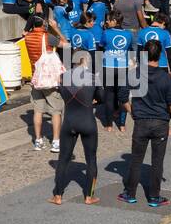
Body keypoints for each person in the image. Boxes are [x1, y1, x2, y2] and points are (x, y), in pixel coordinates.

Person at [120, 40, 171, 207]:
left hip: (141, 122)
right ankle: (154, 197)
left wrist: (133, 112)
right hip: (161, 122)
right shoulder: (166, 78)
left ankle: (130, 193)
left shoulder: (135, 74)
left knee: (136, 158)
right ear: (160, 55)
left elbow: (123, 97)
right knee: (157, 161)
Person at [49, 51, 102, 206]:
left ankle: (57, 195)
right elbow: (103, 98)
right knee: (91, 160)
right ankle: (89, 196)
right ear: (86, 62)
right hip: (87, 121)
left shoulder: (64, 77)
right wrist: (93, 100)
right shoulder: (93, 78)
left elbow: (62, 94)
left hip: (69, 121)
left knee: (63, 159)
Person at [27, 16, 63, 152]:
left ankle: (38, 140)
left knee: (38, 111)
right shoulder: (47, 37)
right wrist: (56, 29)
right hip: (49, 81)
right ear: (43, 25)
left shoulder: (28, 37)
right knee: (55, 111)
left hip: (35, 78)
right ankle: (55, 142)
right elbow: (66, 44)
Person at [99, 13, 133, 132]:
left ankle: (109, 125)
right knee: (123, 97)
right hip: (123, 67)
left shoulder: (106, 33)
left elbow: (101, 46)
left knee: (109, 95)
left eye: (108, 20)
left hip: (108, 66)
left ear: (114, 20)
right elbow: (130, 50)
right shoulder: (128, 34)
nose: (107, 22)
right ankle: (122, 125)